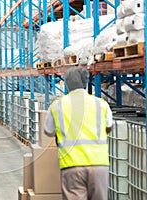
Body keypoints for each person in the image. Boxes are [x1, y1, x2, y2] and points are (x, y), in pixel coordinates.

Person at [44, 67, 113, 200]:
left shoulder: (57, 106)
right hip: (99, 164)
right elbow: (109, 126)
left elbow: (48, 131)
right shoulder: (101, 104)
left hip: (71, 165)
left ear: (67, 83)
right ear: (85, 82)